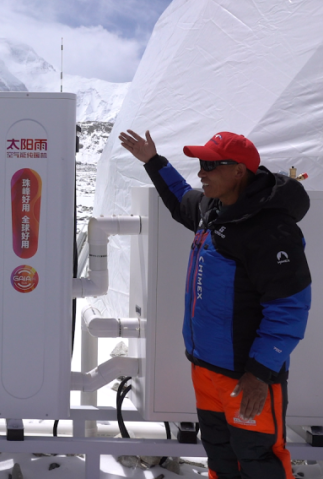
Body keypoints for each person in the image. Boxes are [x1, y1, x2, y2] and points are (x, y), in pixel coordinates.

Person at [119, 129, 311, 479]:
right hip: (207, 369)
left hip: (246, 375)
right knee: (221, 456)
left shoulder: (271, 229)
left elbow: (289, 308)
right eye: (201, 164)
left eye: (210, 165)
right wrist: (153, 161)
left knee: (258, 459)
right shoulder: (214, 209)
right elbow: (180, 196)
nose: (201, 172)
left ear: (238, 171)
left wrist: (259, 374)